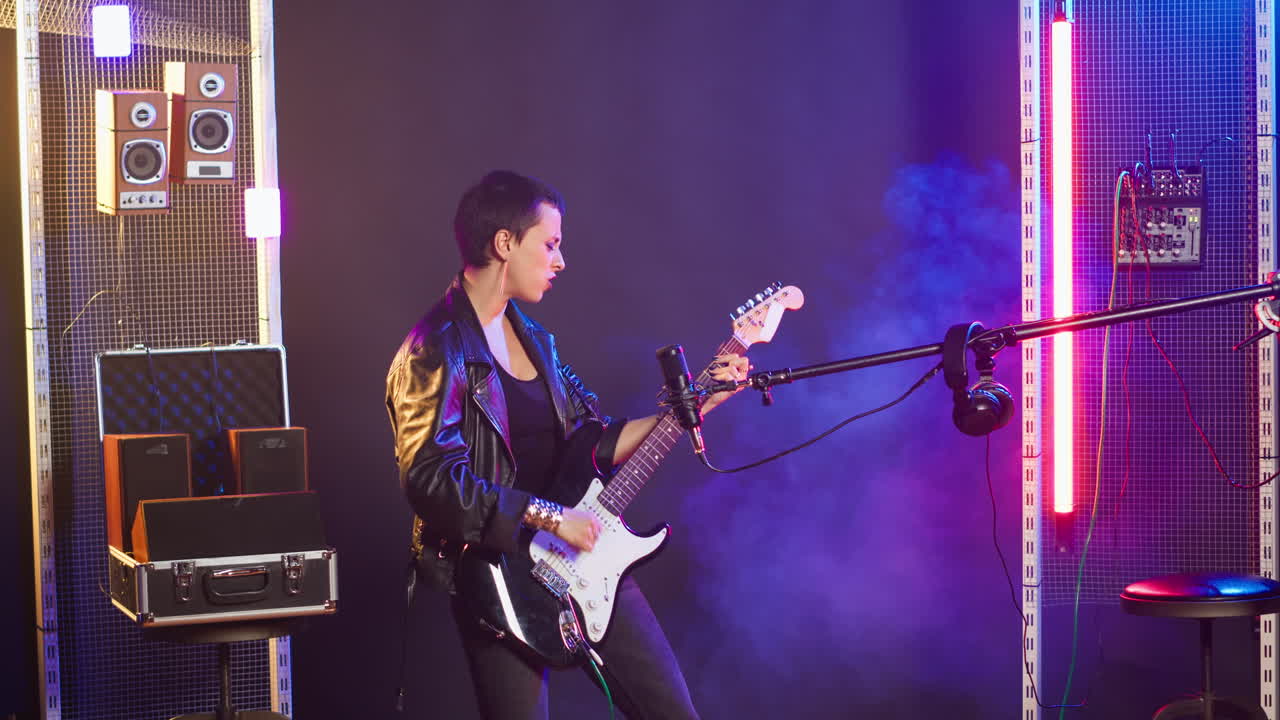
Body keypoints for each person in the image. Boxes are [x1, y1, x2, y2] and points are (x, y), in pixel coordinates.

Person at [385, 170, 749, 720]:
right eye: (550, 244)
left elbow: (594, 442)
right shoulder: (433, 349)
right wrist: (550, 516)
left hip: (584, 556)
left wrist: (698, 402)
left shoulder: (538, 343)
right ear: (504, 243)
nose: (561, 261)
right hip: (498, 576)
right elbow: (431, 481)